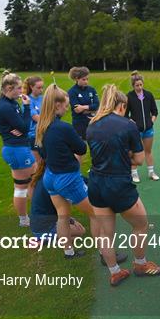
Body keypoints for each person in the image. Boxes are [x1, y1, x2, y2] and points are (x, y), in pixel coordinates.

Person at [87, 84, 160, 286]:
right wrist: (125, 156)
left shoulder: (92, 124)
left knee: (106, 233)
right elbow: (139, 159)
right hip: (118, 184)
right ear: (121, 105)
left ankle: (114, 272)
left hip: (96, 184)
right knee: (141, 224)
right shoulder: (127, 125)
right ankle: (140, 264)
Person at [35, 84, 99, 259]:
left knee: (62, 216)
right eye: (65, 105)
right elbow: (81, 149)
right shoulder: (63, 127)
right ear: (57, 105)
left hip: (50, 177)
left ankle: (69, 252)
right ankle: (105, 253)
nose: (67, 108)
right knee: (96, 214)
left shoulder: (42, 127)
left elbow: (43, 153)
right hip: (67, 178)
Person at [0, 71, 36, 227]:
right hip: (16, 150)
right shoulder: (4, 106)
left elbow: (21, 127)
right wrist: (27, 107)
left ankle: (37, 212)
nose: (21, 91)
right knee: (22, 186)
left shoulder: (10, 103)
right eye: (18, 88)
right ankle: (24, 219)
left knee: (32, 181)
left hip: (19, 148)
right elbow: (24, 127)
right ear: (8, 88)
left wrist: (21, 126)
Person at [126, 71, 160, 183]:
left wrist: (152, 122)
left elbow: (155, 111)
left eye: (141, 85)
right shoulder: (129, 97)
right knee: (135, 152)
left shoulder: (148, 95)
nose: (139, 87)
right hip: (136, 130)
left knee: (148, 151)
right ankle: (134, 174)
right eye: (137, 85)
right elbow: (125, 115)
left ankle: (151, 172)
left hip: (148, 130)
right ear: (133, 85)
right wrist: (133, 124)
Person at [67, 66, 99, 142]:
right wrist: (92, 110)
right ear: (77, 79)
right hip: (79, 124)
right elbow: (77, 110)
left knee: (94, 145)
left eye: (87, 79)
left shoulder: (92, 90)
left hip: (93, 122)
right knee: (80, 149)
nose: (86, 82)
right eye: (83, 79)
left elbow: (97, 105)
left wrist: (84, 107)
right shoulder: (72, 92)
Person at [23, 76, 44, 165]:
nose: (41, 90)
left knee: (45, 161)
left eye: (42, 87)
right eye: (38, 88)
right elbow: (36, 118)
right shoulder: (27, 101)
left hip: (44, 133)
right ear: (31, 87)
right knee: (38, 163)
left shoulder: (43, 98)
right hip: (33, 136)